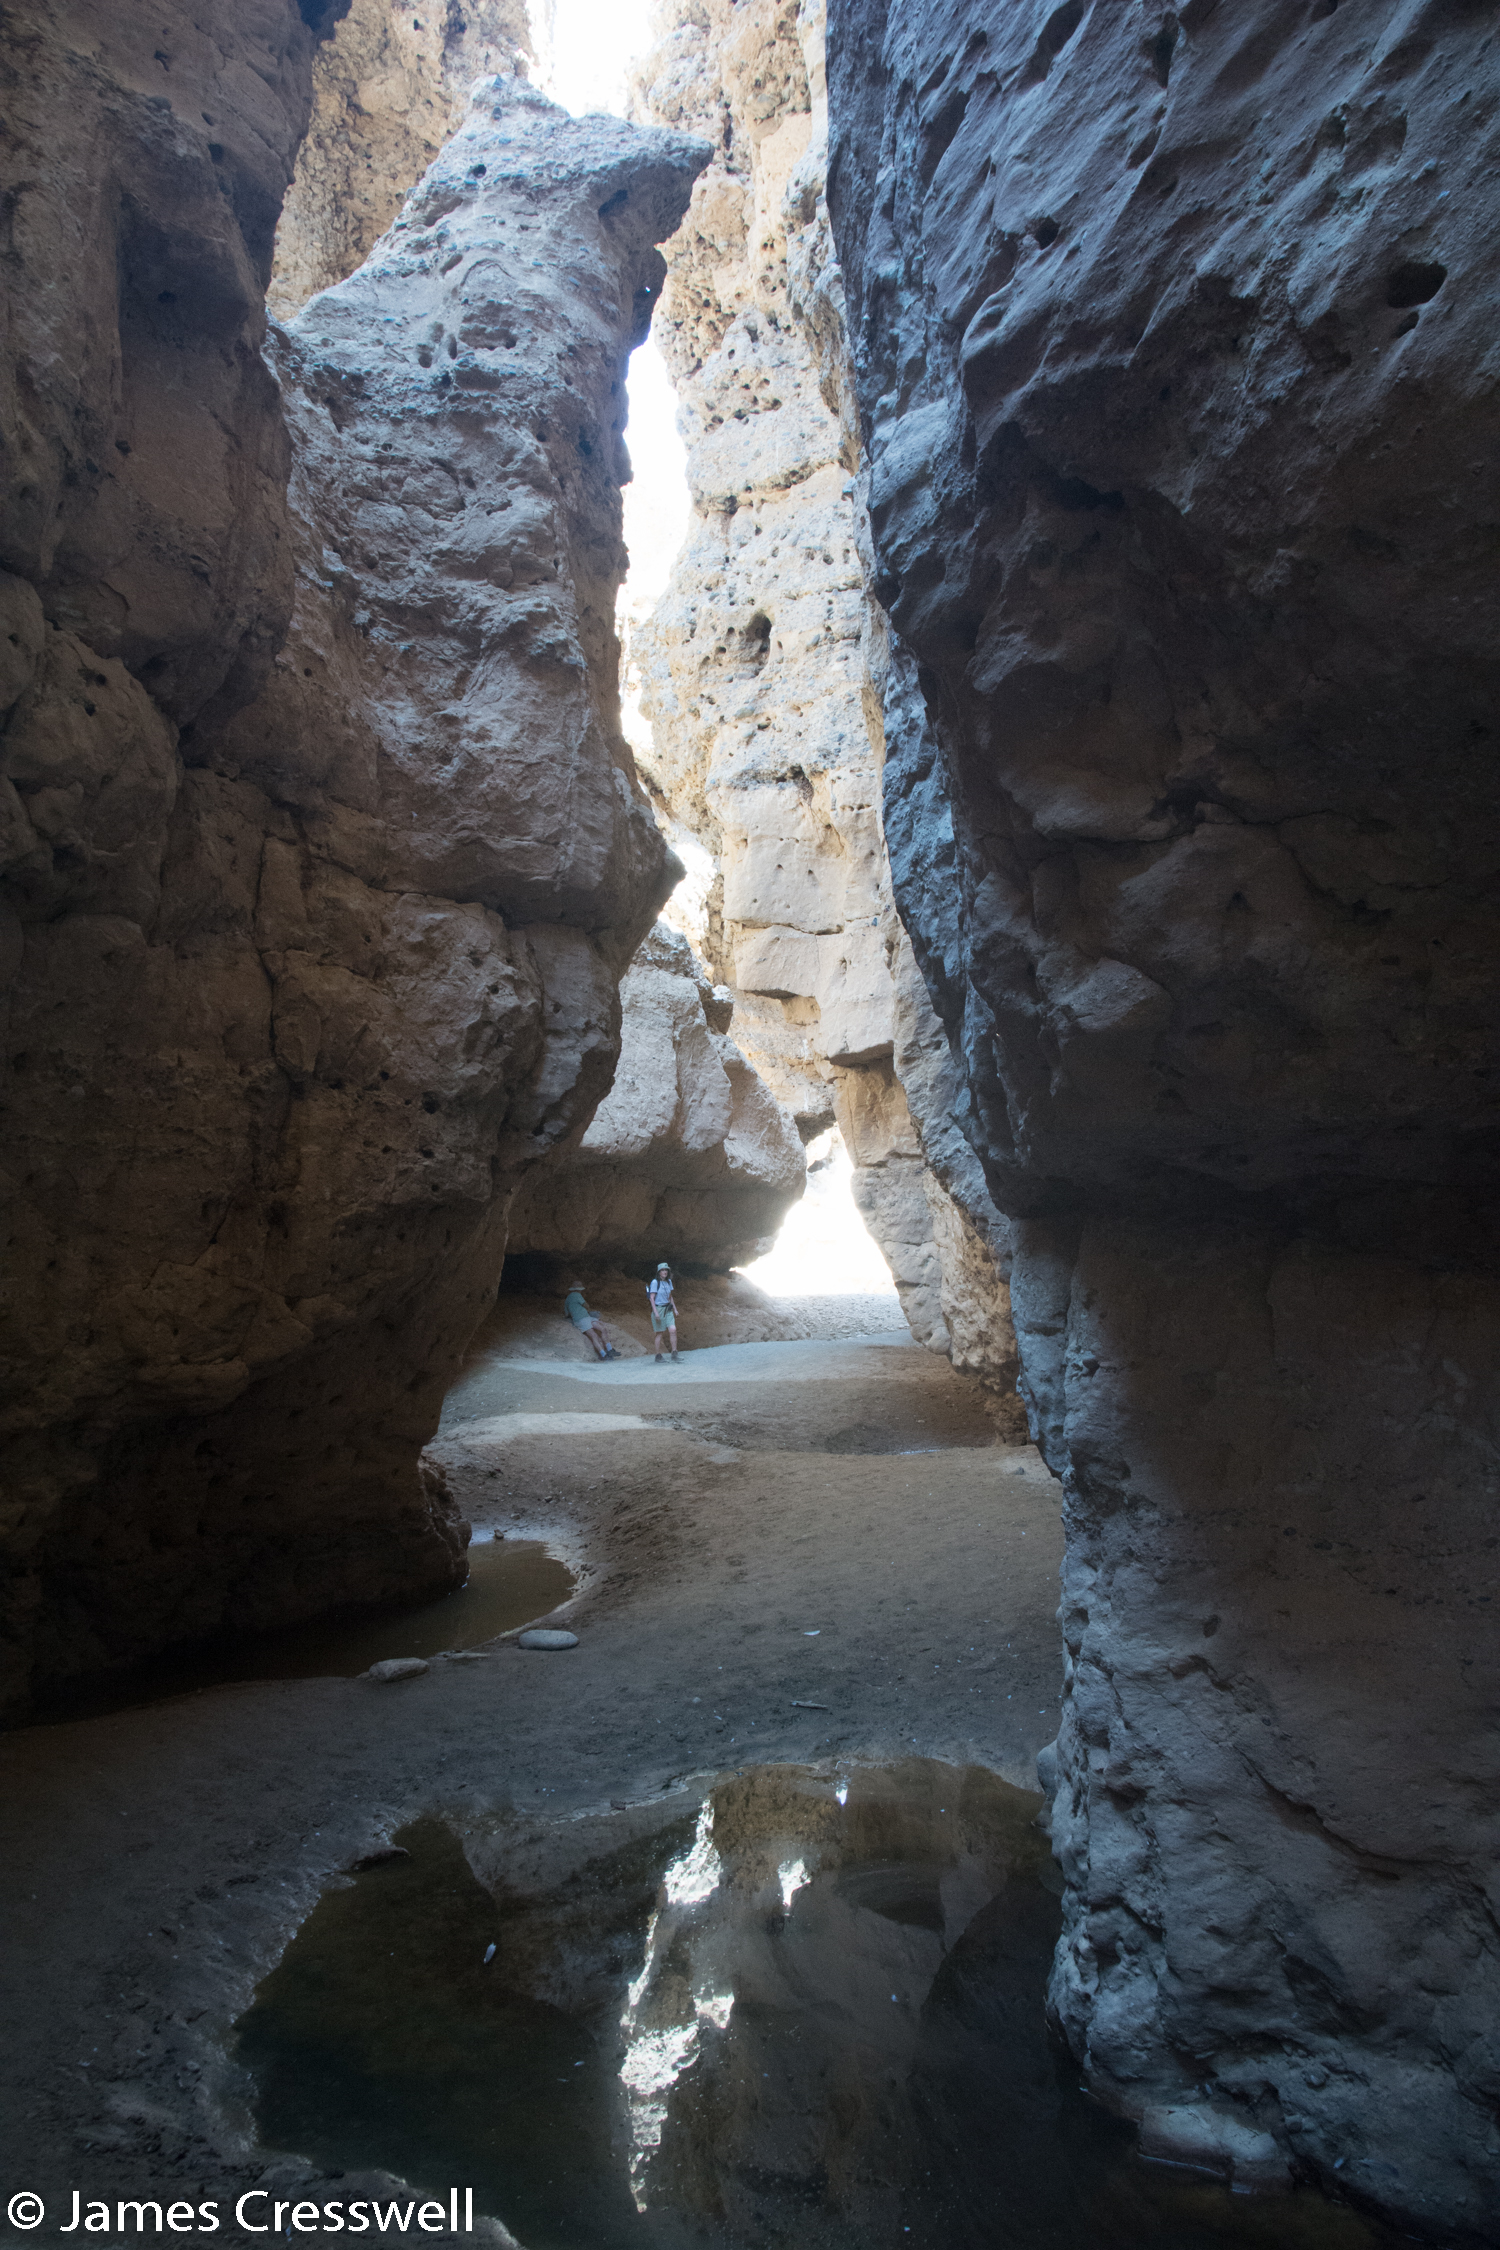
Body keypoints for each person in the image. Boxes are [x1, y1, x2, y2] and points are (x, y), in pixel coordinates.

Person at [562, 1281, 615, 1360]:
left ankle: (604, 1354)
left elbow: (566, 1314)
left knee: (595, 1334)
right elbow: (586, 1305)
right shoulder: (577, 1295)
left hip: (583, 1319)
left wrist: (574, 1312)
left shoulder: (567, 1300)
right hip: (583, 1319)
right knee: (598, 1332)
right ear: (579, 1289)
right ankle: (608, 1351)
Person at [647, 1261, 679, 1363]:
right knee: (659, 1333)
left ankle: (674, 1353)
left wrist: (675, 1309)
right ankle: (658, 1356)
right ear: (659, 1272)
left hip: (668, 1309)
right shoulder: (655, 1282)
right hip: (659, 1309)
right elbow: (652, 1298)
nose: (665, 1272)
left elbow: (670, 1297)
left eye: (666, 1270)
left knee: (673, 1330)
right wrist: (656, 1312)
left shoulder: (668, 1282)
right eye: (662, 1270)